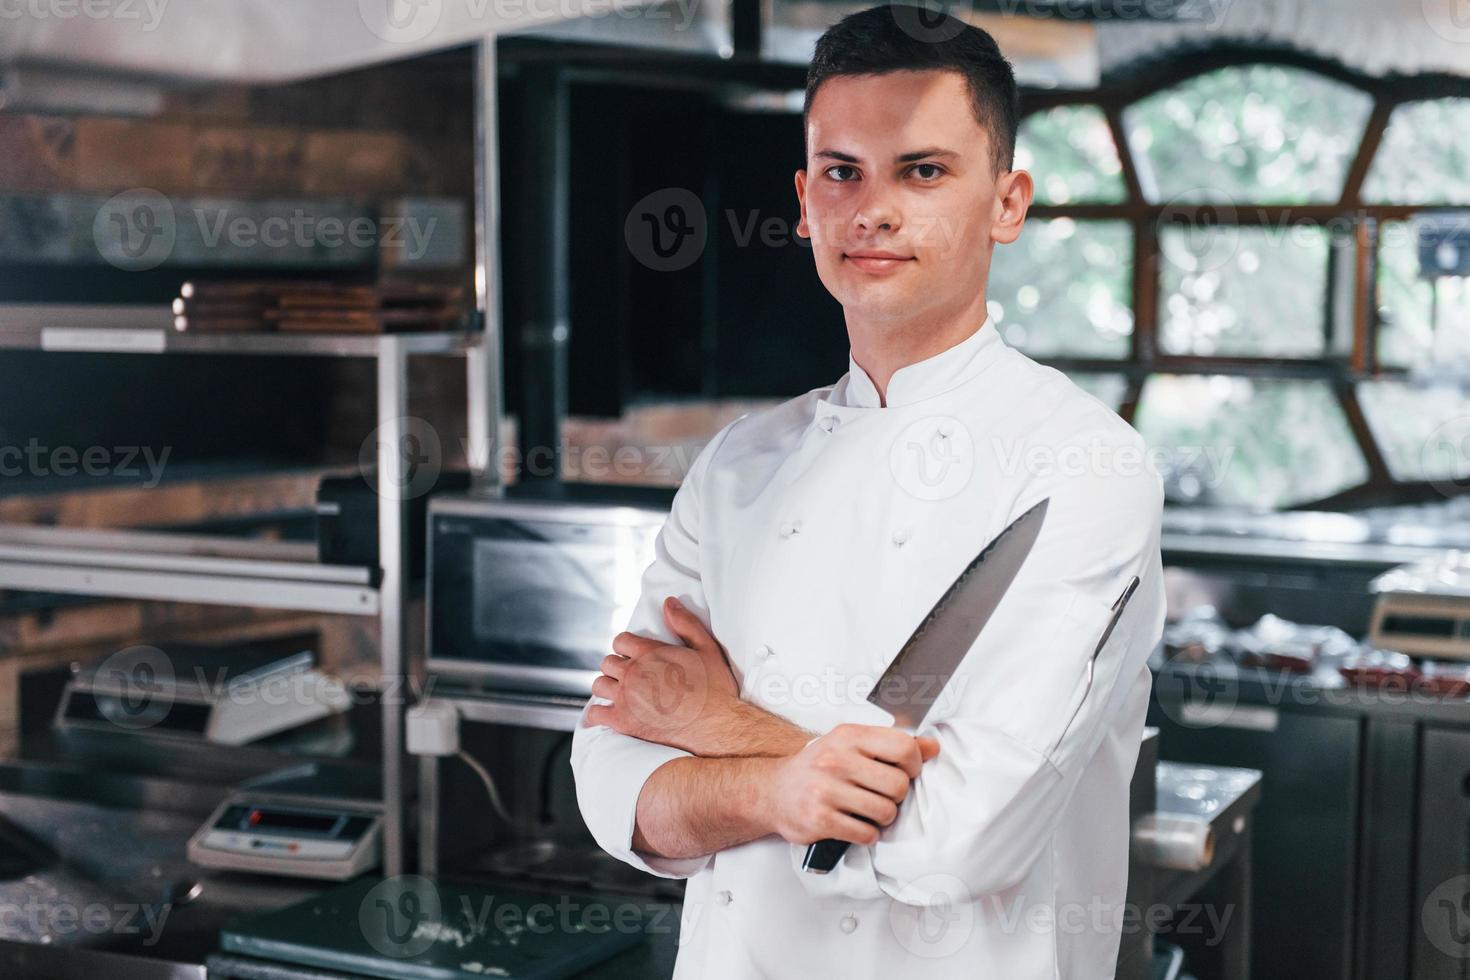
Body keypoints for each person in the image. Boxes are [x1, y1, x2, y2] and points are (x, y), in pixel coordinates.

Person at [571, 5, 1166, 976]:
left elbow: (964, 837)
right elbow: (608, 782)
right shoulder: (738, 465)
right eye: (843, 172)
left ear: (1007, 201)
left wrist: (720, 731)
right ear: (805, 202)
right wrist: (785, 785)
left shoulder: (1082, 465)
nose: (873, 209)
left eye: (922, 171)